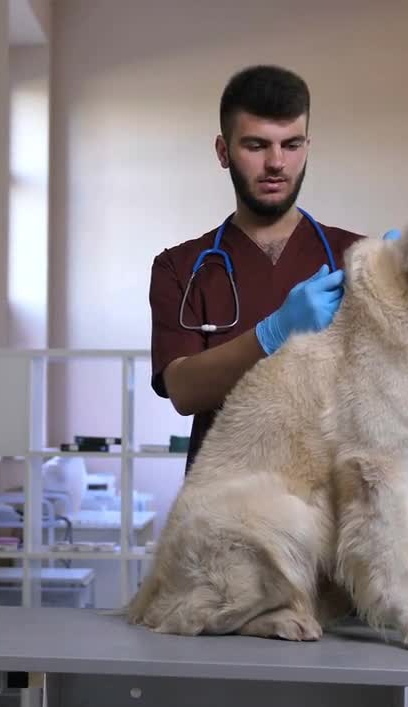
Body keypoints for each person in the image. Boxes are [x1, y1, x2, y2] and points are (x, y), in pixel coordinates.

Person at [149, 64, 368, 472]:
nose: (276, 163)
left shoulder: (357, 257)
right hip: (224, 506)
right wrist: (274, 333)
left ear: (307, 146)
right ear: (223, 151)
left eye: (291, 144)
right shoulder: (179, 268)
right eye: (256, 145)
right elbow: (182, 390)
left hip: (332, 509)